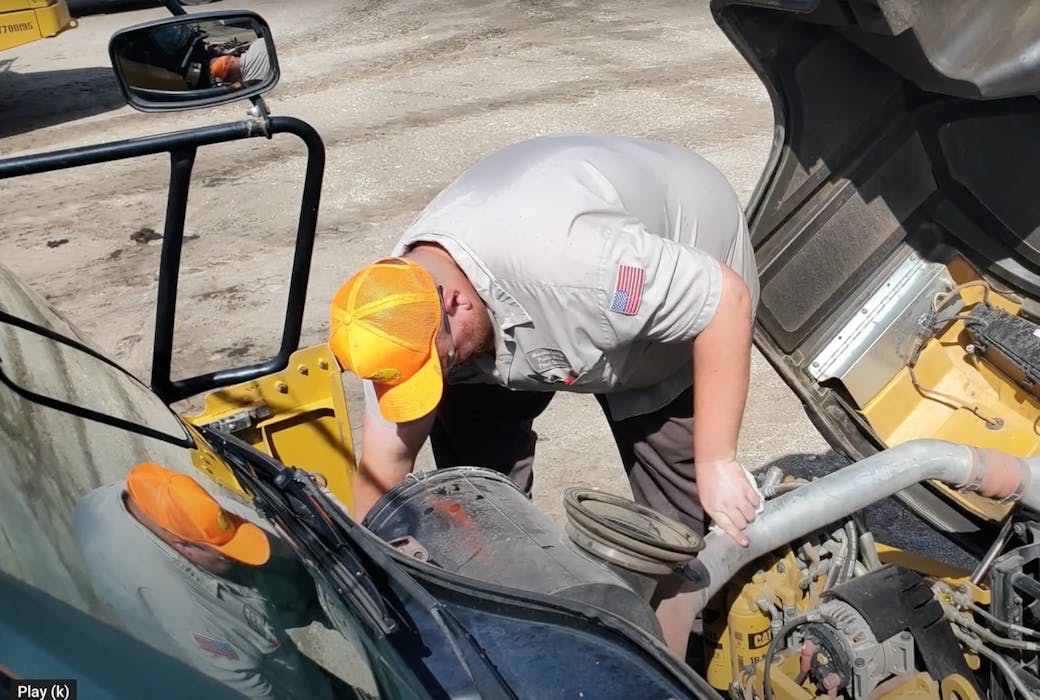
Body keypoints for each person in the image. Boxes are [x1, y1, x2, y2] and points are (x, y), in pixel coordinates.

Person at [328, 133, 763, 549]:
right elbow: (383, 472)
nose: (439, 368)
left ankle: (687, 604)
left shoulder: (578, 264)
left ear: (456, 302)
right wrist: (369, 563)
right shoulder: (389, 317)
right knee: (460, 419)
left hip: (681, 243)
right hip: (513, 296)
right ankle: (508, 560)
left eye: (441, 358)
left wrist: (716, 462)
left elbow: (723, 300)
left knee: (680, 516)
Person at [72, 463, 354, 700]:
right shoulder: (193, 614)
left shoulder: (147, 496)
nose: (238, 559)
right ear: (183, 546)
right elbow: (244, 686)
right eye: (226, 555)